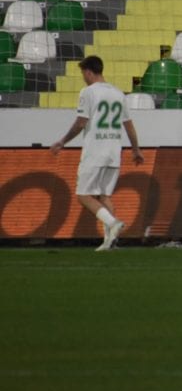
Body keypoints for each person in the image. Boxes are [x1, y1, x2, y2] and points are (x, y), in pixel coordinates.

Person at [49, 56, 144, 251]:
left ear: (89, 72)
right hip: (113, 152)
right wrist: (136, 149)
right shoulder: (118, 93)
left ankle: (112, 223)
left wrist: (62, 141)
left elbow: (81, 122)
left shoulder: (88, 92)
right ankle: (110, 241)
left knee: (83, 195)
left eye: (83, 73)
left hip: (95, 151)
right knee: (104, 195)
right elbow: (129, 125)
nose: (83, 77)